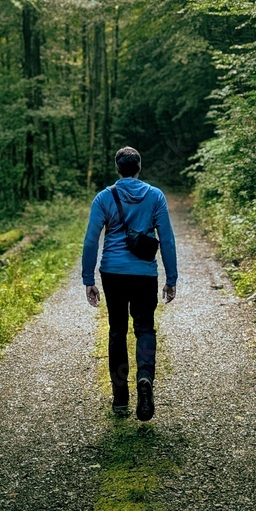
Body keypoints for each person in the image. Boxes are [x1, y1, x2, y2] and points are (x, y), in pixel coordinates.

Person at [81, 146, 178, 421]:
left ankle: (120, 398)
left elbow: (90, 240)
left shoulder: (103, 198)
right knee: (145, 328)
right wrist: (171, 278)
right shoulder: (155, 196)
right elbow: (167, 239)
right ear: (138, 167)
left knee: (117, 331)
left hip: (112, 272)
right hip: (145, 273)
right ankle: (145, 378)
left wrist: (88, 279)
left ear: (117, 168)